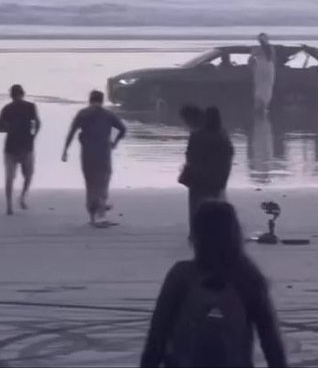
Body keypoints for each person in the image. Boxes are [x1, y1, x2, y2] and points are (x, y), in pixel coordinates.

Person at [140, 200, 288, 368]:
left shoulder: (181, 276)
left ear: (197, 236)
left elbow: (157, 336)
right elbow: (271, 342)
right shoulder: (248, 278)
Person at [61, 90, 126, 226]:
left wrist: (65, 150)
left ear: (90, 100)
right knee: (103, 183)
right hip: (103, 153)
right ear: (102, 101)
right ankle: (101, 214)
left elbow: (72, 132)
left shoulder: (83, 113)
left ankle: (92, 217)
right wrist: (114, 142)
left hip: (87, 153)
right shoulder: (108, 114)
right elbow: (122, 129)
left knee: (90, 184)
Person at [180, 107, 234, 234]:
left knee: (196, 207)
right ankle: (216, 231)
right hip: (217, 179)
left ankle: (196, 233)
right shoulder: (222, 135)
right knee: (216, 206)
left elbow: (190, 156)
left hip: (198, 179)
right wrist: (223, 178)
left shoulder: (197, 135)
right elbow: (229, 156)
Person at [0, 84, 41, 215]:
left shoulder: (7, 109)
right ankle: (22, 196)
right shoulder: (30, 107)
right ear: (23, 93)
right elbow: (38, 124)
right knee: (28, 175)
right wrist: (33, 136)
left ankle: (9, 206)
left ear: (11, 95)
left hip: (11, 147)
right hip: (27, 146)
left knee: (9, 177)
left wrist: (10, 128)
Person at [250, 33, 276, 114]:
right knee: (267, 88)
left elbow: (251, 60)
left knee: (259, 87)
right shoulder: (271, 49)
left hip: (260, 67)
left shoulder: (257, 49)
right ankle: (264, 107)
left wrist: (252, 67)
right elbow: (274, 59)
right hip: (269, 68)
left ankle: (258, 107)